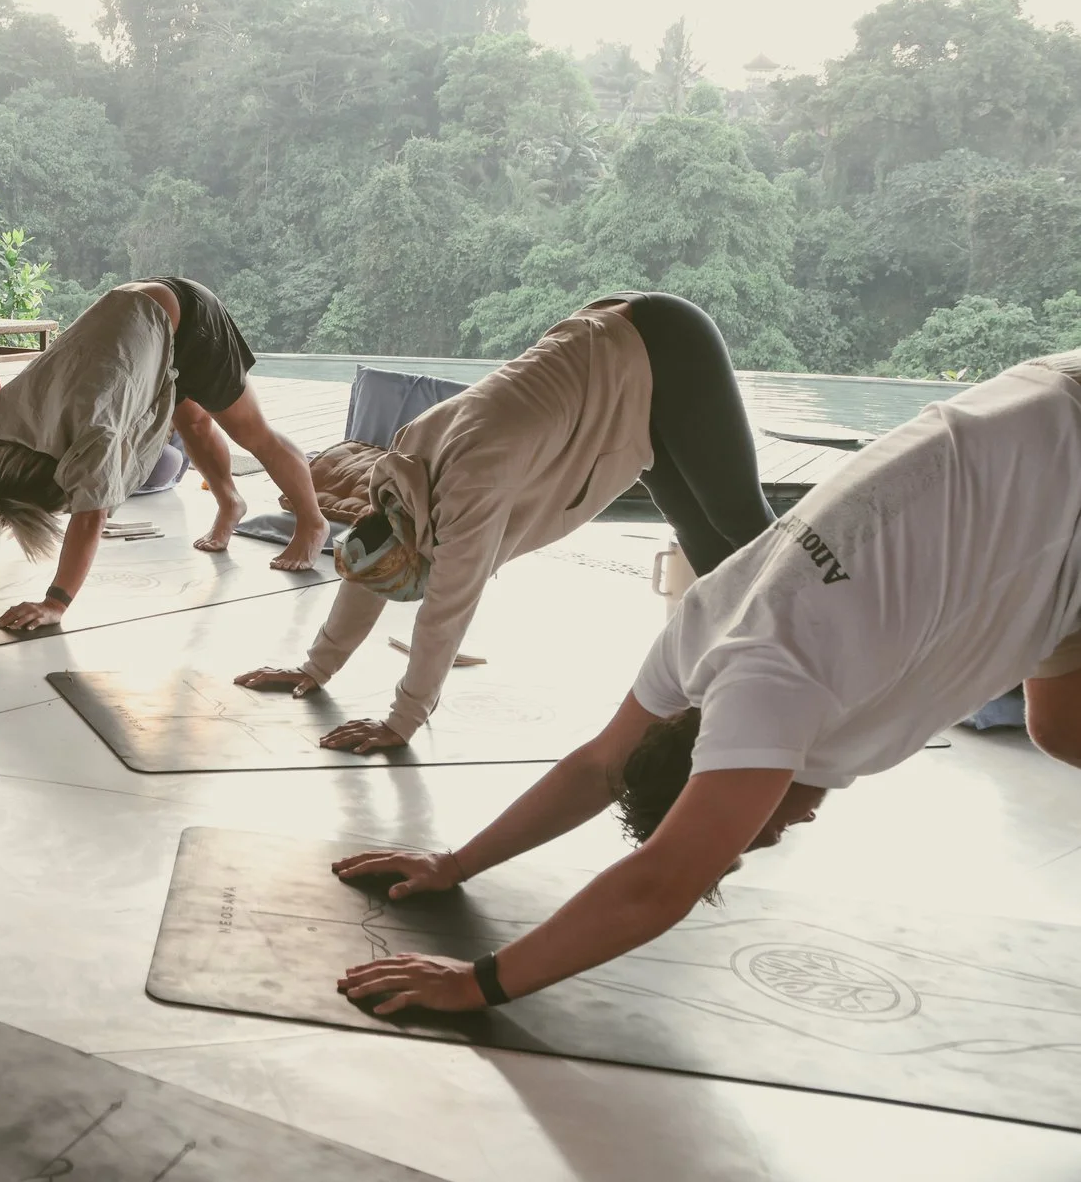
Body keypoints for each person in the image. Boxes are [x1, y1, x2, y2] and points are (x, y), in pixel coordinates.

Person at [329, 350, 1081, 1017]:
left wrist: (477, 983)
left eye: (750, 836)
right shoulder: (703, 634)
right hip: (1036, 440)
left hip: (1065, 446)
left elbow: (661, 881)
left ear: (715, 762)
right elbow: (599, 765)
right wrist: (455, 863)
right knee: (1062, 725)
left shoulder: (770, 687)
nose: (781, 830)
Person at [239, 293, 773, 754]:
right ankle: (743, 679)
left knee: (741, 520)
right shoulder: (398, 481)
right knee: (698, 533)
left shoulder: (469, 496)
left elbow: (444, 613)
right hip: (615, 362)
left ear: (421, 557)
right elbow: (366, 572)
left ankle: (816, 638)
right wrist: (315, 667)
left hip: (667, 344)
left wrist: (402, 720)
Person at [0, 279, 326, 633]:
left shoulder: (91, 436)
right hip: (131, 312)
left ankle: (312, 521)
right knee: (191, 422)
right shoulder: (0, 433)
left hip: (187, 318)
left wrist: (55, 602)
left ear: (62, 482)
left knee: (252, 432)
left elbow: (89, 517)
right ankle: (231, 502)